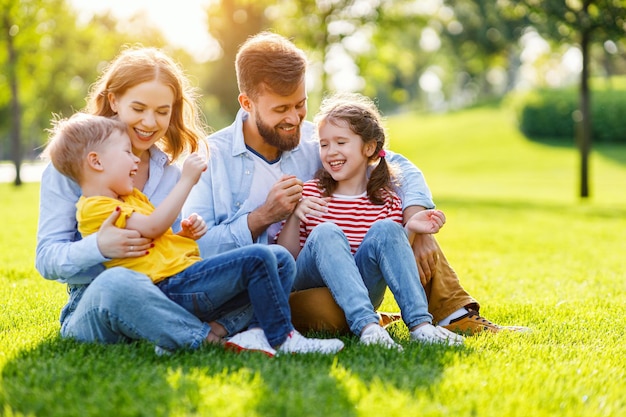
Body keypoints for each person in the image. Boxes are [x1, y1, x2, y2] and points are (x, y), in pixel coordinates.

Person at [183, 31, 526, 336]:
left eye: (301, 105)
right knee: (329, 315)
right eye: (281, 109)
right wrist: (262, 216)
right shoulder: (209, 159)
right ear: (247, 103)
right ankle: (369, 318)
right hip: (274, 291)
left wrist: (414, 218)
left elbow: (392, 162)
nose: (294, 118)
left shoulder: (313, 140)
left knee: (408, 225)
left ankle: (455, 314)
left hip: (336, 274)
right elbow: (195, 252)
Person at [34, 46, 320, 355]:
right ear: (114, 101)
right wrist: (99, 247)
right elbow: (47, 259)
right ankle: (209, 341)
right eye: (139, 108)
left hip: (167, 293)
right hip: (98, 300)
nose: (149, 122)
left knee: (276, 259)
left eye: (162, 111)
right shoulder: (72, 170)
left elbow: (164, 249)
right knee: (117, 282)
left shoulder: (170, 175)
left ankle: (203, 330)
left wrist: (184, 236)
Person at [276, 92, 465, 349]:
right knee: (326, 232)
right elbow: (288, 260)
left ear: (368, 148)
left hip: (364, 287)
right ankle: (368, 327)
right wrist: (296, 215)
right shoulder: (310, 193)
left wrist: (410, 229)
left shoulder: (387, 201)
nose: (331, 152)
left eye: (341, 142)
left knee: (388, 229)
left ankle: (421, 325)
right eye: (324, 144)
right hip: (312, 285)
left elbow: (392, 261)